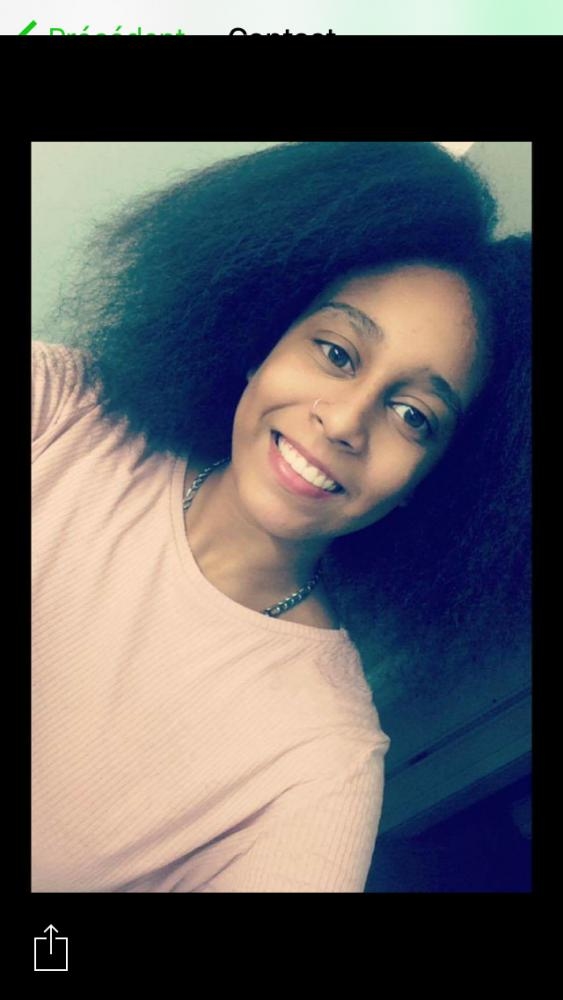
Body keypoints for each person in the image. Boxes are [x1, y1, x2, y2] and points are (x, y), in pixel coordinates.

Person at [32, 142, 531, 892]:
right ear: (261, 340)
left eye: (412, 415)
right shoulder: (66, 411)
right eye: (336, 352)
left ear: (432, 484)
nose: (345, 421)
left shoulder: (319, 765)